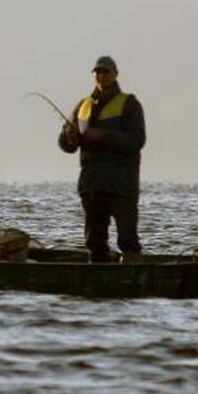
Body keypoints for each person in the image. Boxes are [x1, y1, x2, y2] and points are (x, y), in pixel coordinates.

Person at [58, 55, 146, 263]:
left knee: (127, 238)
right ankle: (99, 278)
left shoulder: (129, 104)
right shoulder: (83, 105)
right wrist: (70, 138)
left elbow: (136, 140)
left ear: (115, 74)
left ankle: (133, 275)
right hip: (92, 184)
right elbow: (65, 144)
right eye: (98, 72)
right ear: (93, 75)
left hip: (122, 184)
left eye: (106, 71)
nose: (102, 75)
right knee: (95, 240)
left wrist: (103, 135)